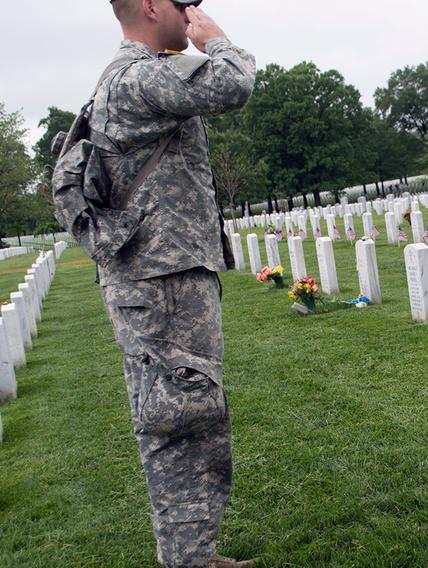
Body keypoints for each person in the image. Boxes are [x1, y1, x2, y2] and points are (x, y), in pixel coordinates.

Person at [75, 1, 255, 566]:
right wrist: (217, 38)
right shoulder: (141, 76)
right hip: (163, 282)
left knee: (185, 419)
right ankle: (189, 561)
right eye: (185, 4)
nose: (194, 12)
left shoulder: (132, 77)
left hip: (161, 278)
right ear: (151, 6)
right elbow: (233, 84)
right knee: (181, 423)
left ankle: (193, 555)